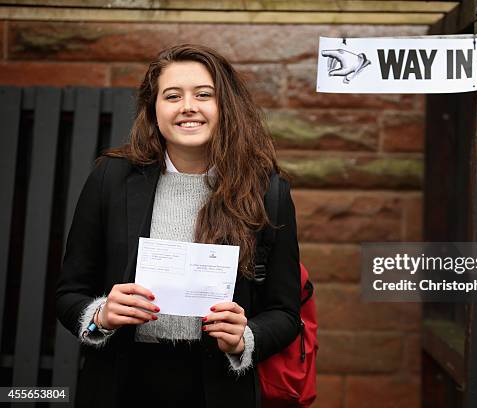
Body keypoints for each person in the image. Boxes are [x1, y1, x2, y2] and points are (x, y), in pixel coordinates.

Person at [55, 43, 301, 407]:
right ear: (153, 110)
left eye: (204, 94)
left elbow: (285, 313)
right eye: (172, 96)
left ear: (225, 107)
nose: (188, 106)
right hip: (122, 382)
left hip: (218, 389)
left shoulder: (267, 192)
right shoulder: (112, 178)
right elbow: (69, 294)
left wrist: (244, 338)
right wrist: (101, 315)